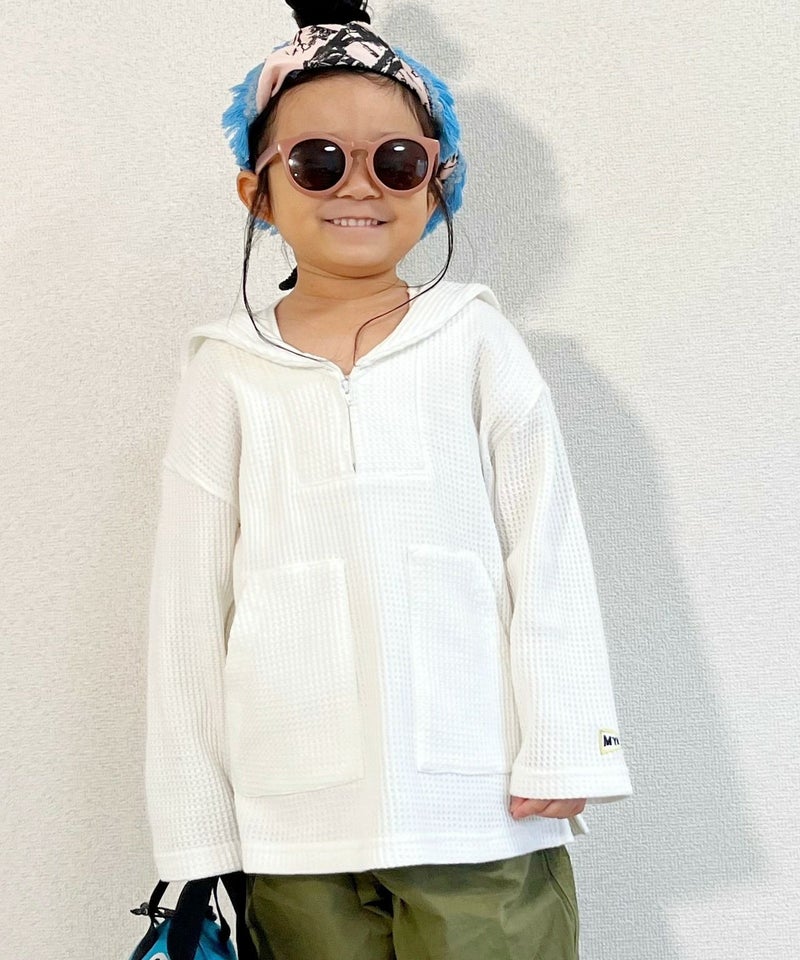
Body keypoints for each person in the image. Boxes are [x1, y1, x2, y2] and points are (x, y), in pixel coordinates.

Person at [144, 2, 633, 957]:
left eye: (397, 161)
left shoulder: (477, 340)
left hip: (480, 803)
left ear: (437, 182)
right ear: (257, 191)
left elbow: (546, 545)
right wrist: (197, 822)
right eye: (317, 161)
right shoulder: (225, 369)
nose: (358, 185)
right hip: (291, 825)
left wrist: (568, 739)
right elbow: (187, 610)